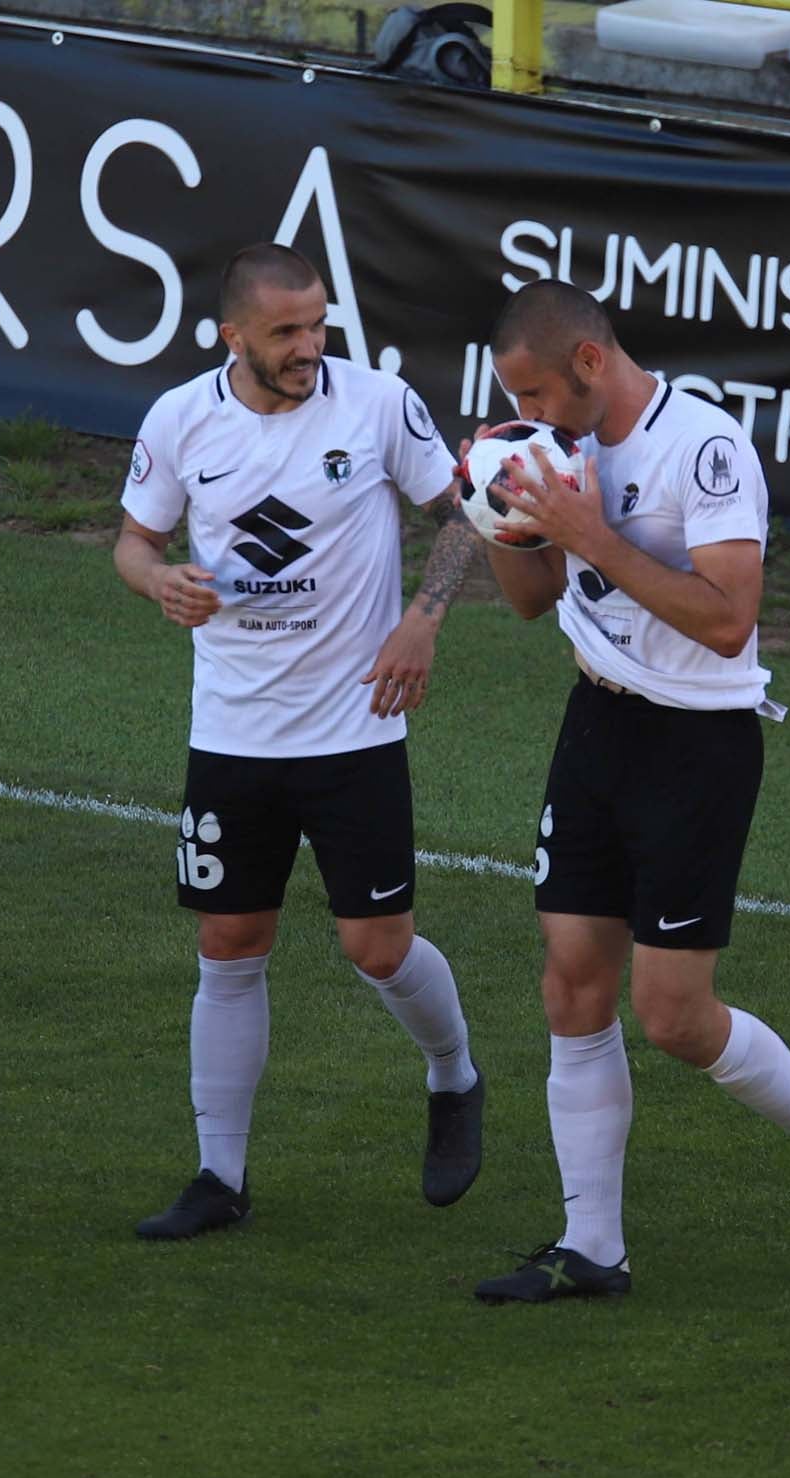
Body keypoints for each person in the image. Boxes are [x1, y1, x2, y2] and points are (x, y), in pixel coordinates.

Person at [471, 280, 790, 1303]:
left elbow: (729, 619)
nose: (530, 413)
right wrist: (499, 514)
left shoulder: (704, 447)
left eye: (536, 392)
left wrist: (589, 530)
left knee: (673, 1014)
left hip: (698, 745)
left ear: (590, 365)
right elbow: (530, 605)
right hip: (597, 723)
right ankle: (592, 1248)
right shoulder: (557, 453)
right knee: (570, 979)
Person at [115, 242, 485, 1240]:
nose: (309, 347)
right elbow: (135, 540)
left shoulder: (374, 406)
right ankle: (218, 1178)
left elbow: (465, 517)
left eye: (319, 325)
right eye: (286, 331)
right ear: (232, 335)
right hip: (232, 733)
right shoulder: (181, 420)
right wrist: (160, 582)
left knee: (377, 946)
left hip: (352, 731)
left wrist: (423, 619)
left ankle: (453, 1076)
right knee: (229, 941)